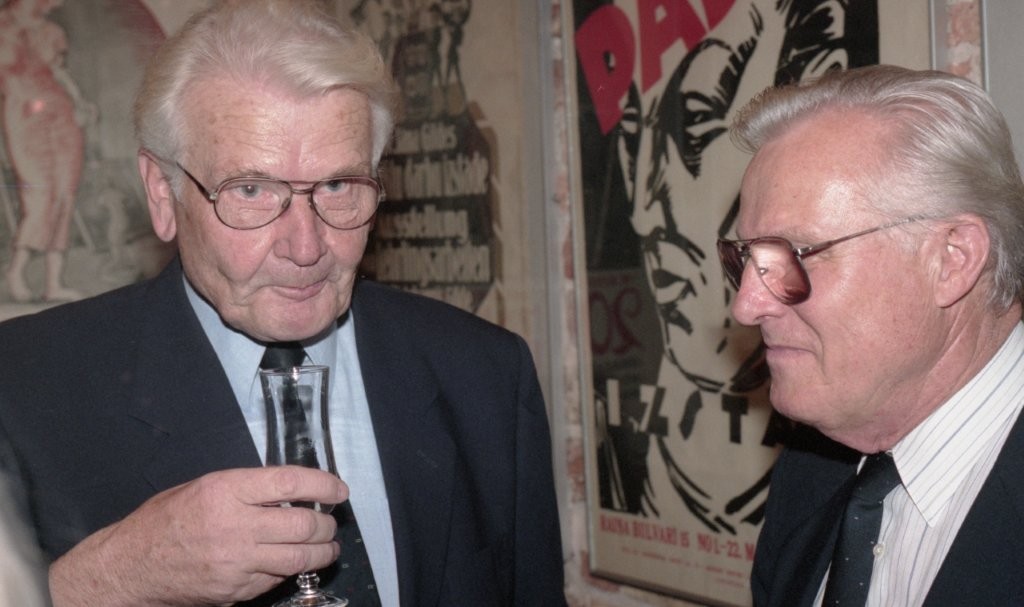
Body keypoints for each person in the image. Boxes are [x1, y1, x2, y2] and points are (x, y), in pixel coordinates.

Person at [0, 1, 565, 606]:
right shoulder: (23, 385)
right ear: (163, 193)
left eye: (338, 185)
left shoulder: (484, 374)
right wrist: (110, 579)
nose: (306, 247)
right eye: (250, 190)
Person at [719, 64, 1024, 605]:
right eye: (746, 259)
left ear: (952, 259)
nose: (746, 306)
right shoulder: (810, 470)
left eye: (794, 255)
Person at [592, 0, 875, 536]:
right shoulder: (806, 480)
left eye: (696, 119)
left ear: (952, 259)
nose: (643, 211)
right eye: (631, 131)